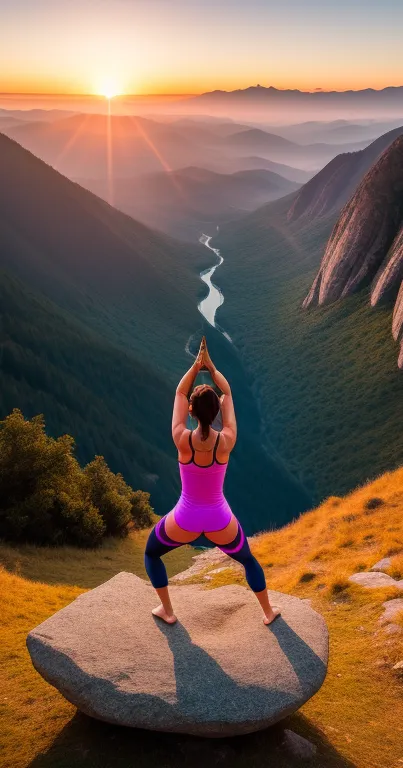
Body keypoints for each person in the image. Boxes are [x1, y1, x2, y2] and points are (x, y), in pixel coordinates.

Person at [144, 336, 281, 626]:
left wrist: (196, 366)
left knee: (152, 552)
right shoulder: (226, 441)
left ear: (192, 412)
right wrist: (212, 367)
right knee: (247, 561)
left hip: (185, 519)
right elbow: (228, 394)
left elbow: (180, 394)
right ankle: (268, 612)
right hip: (220, 519)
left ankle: (167, 611)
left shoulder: (182, 440)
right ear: (216, 412)